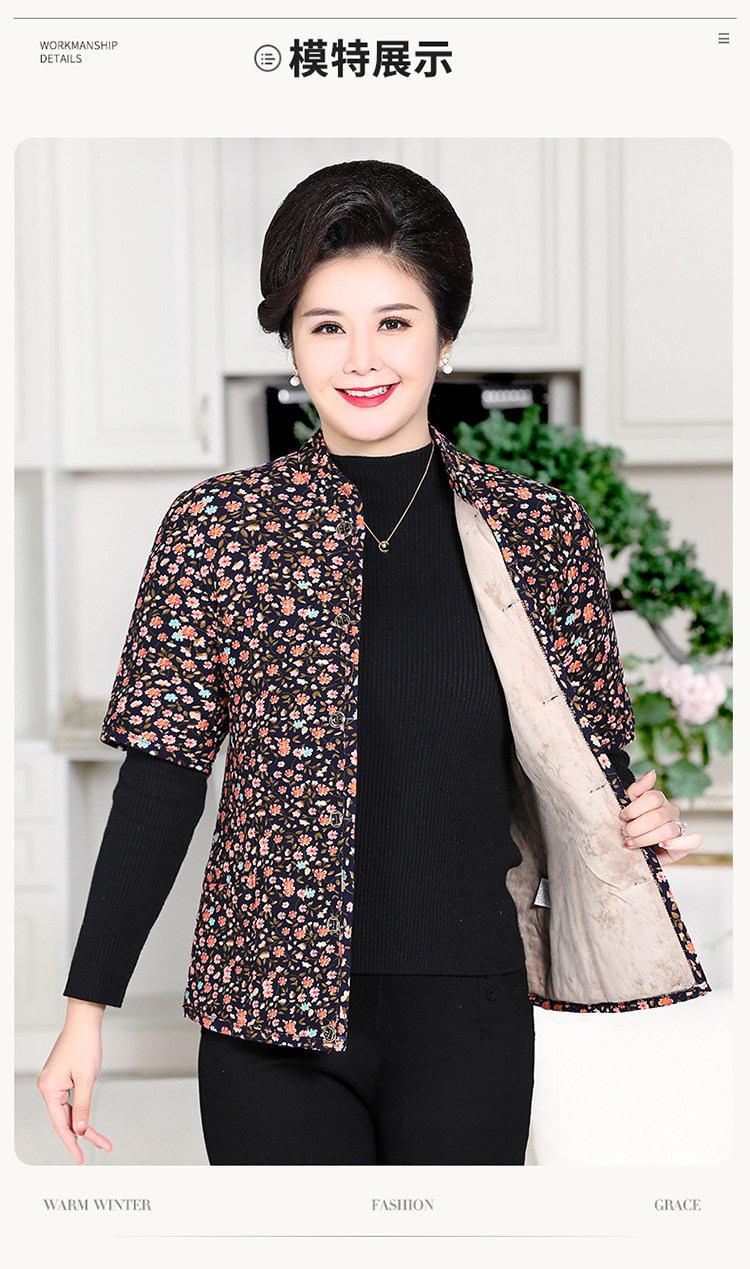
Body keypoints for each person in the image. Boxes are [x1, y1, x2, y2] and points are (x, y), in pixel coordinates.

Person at [36, 160, 708, 1167]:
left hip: (472, 1010)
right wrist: (86, 1010)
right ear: (291, 343)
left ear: (446, 336)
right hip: (267, 1017)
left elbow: (590, 765)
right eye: (326, 326)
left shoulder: (539, 533)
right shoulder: (219, 527)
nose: (361, 359)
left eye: (394, 322)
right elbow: (160, 783)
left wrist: (644, 817)